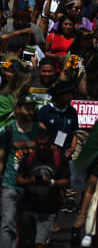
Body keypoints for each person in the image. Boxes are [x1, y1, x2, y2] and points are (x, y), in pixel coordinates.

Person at [15, 131, 69, 248]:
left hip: (48, 209)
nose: (42, 147)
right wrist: (31, 181)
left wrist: (51, 182)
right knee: (25, 242)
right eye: (39, 145)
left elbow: (66, 181)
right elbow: (19, 180)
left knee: (40, 243)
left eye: (44, 145)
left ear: (50, 144)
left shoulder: (58, 158)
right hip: (29, 208)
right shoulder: (29, 158)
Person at [0, 96, 41, 248]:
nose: (30, 112)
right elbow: (1, 159)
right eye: (27, 108)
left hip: (33, 186)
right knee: (7, 225)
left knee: (29, 225)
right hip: (10, 184)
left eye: (32, 108)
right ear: (17, 109)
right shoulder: (8, 130)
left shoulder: (39, 130)